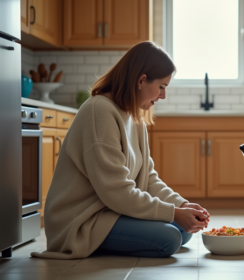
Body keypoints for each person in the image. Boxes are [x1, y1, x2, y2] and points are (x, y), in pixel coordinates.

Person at [31, 41, 210, 260]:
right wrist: (174, 213)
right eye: (162, 86)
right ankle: (94, 244)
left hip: (111, 210)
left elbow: (149, 178)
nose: (163, 96)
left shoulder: (135, 117)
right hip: (84, 221)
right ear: (142, 80)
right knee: (171, 238)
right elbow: (116, 192)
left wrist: (181, 205)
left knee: (184, 230)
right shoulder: (99, 111)